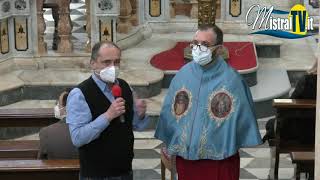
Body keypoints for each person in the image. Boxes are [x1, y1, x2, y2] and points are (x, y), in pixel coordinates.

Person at [155, 25, 262, 180]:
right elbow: (170, 115)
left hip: (220, 162)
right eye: (195, 43)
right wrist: (170, 141)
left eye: (205, 45)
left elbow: (243, 122)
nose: (198, 48)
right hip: (187, 160)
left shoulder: (232, 80)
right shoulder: (182, 75)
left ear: (218, 49)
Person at [66, 41, 149, 180]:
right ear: (93, 63)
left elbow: (133, 126)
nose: (113, 67)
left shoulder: (124, 86)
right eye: (107, 62)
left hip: (125, 170)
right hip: (97, 174)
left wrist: (139, 115)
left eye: (117, 62)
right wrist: (108, 116)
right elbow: (78, 138)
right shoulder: (80, 94)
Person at [263, 61, 317, 144]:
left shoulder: (308, 80)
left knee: (271, 124)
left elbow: (291, 103)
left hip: (304, 132)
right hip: (311, 128)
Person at [38, 89, 78, 159]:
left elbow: (41, 160)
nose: (57, 106)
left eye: (58, 103)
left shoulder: (46, 133)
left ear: (65, 108)